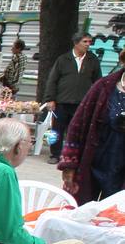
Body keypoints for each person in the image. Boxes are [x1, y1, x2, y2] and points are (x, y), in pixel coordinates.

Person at [59, 65, 125, 203]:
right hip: (92, 164)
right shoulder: (103, 86)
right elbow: (77, 125)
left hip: (120, 169)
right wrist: (69, 165)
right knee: (80, 213)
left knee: (116, 219)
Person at [42, 32, 103, 163]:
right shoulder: (63, 59)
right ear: (76, 43)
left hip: (81, 103)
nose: (88, 44)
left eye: (89, 42)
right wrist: (50, 99)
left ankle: (73, 155)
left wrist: (96, 100)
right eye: (85, 42)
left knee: (78, 131)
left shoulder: (93, 60)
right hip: (62, 102)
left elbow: (98, 81)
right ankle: (54, 154)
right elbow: (53, 80)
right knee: (56, 130)